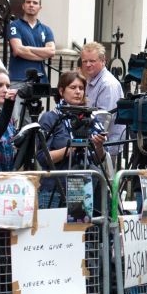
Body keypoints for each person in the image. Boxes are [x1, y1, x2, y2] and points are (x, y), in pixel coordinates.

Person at [37, 71, 106, 207]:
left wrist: (98, 145)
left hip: (84, 189)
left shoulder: (90, 118)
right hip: (55, 189)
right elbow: (43, 157)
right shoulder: (50, 118)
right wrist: (72, 148)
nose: (78, 92)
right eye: (73, 88)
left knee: (79, 228)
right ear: (61, 91)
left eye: (81, 88)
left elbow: (98, 160)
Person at [81, 42, 125, 157]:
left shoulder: (108, 84)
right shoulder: (91, 80)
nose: (88, 64)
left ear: (103, 61)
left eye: (92, 61)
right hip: (95, 144)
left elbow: (103, 119)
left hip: (108, 148)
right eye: (85, 61)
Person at [8, 0, 55, 83]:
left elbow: (51, 51)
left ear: (40, 7)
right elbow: (18, 50)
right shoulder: (14, 25)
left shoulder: (46, 29)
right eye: (28, 2)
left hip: (40, 79)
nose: (31, 5)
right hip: (18, 78)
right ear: (23, 6)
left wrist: (28, 48)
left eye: (35, 3)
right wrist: (42, 56)